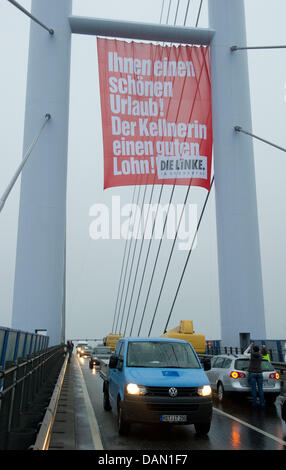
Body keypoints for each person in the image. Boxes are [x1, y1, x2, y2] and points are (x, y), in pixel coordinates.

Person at [244, 343, 265, 407]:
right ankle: (262, 403)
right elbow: (264, 353)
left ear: (253, 350)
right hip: (259, 373)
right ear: (258, 350)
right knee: (260, 389)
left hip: (252, 373)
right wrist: (263, 348)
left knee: (253, 389)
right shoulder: (261, 355)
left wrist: (249, 347)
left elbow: (244, 353)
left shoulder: (251, 355)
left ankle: (254, 403)